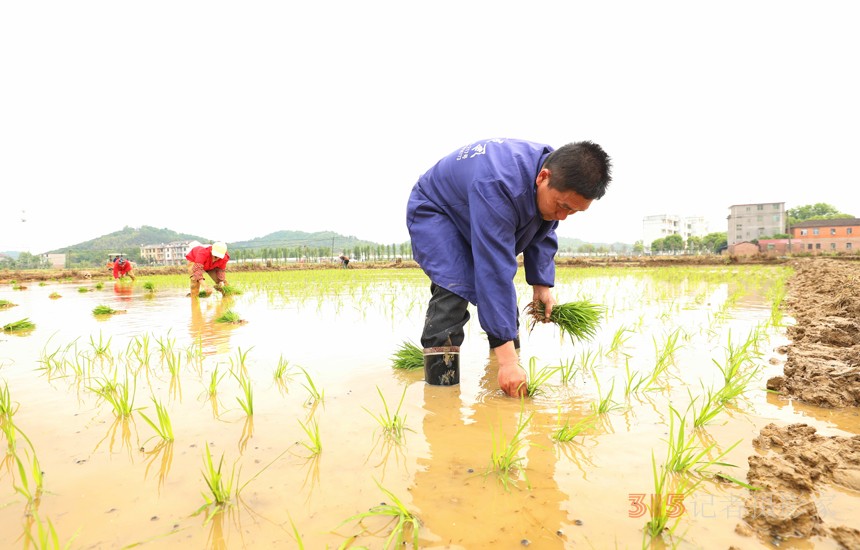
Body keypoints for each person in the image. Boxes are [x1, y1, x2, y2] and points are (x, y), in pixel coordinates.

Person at [406, 138, 612, 397]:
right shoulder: (499, 183)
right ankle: (441, 392)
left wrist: (542, 285)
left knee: (502, 293)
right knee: (455, 288)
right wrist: (508, 362)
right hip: (438, 211)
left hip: (475, 207)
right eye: (563, 206)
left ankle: (503, 382)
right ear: (543, 177)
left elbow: (543, 227)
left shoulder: (551, 175)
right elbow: (493, 272)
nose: (563, 217)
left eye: (573, 212)